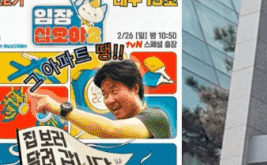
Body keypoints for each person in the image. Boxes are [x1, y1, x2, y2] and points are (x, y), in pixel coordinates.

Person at [33, 58, 173, 140]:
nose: (109, 100)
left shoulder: (156, 117)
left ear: (135, 89)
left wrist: (60, 109)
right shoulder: (121, 138)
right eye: (104, 94)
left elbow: (112, 129)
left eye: (114, 91)